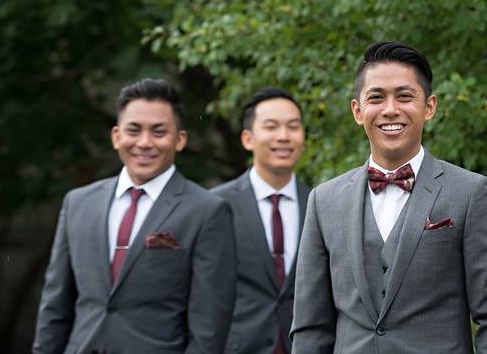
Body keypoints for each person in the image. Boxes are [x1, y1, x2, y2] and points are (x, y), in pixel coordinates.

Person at [291, 41, 487, 353]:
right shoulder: (324, 201)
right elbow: (310, 327)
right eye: (376, 98)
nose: (390, 109)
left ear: (430, 106)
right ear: (358, 111)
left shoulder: (471, 193)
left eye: (404, 96)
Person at [32, 78, 236, 354]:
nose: (144, 142)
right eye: (134, 130)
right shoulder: (78, 203)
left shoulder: (206, 211)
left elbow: (209, 326)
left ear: (180, 140)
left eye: (159, 132)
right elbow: (54, 306)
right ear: (116, 136)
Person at [212, 88, 311, 354]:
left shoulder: (320, 203)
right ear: (247, 138)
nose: (284, 136)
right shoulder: (215, 207)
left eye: (293, 127)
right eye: (271, 127)